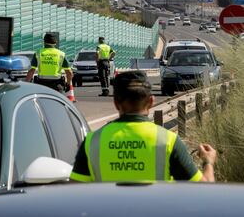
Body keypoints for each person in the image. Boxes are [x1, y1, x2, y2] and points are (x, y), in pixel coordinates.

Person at [70, 70, 216, 182]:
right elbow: (206, 193)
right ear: (151, 101)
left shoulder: (92, 141)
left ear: (115, 103)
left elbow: (73, 197)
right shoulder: (168, 141)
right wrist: (208, 162)